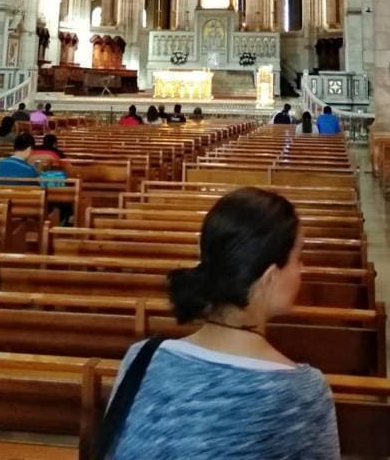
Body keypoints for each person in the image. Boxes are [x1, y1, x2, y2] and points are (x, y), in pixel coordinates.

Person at [100, 187, 340, 459]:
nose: (302, 269)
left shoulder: (140, 359)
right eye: (298, 257)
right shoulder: (302, 395)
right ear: (269, 277)